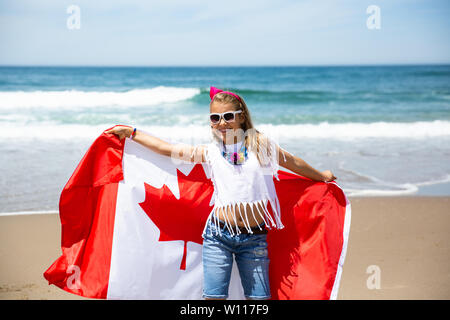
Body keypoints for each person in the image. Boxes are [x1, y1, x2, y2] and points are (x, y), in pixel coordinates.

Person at [106, 86, 336, 300]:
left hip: (254, 238)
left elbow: (292, 162)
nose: (222, 123)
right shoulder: (211, 152)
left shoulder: (260, 144)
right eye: (215, 118)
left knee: (259, 299)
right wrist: (132, 132)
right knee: (214, 298)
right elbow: (168, 150)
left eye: (228, 116)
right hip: (218, 236)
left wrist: (321, 175)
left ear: (241, 116)